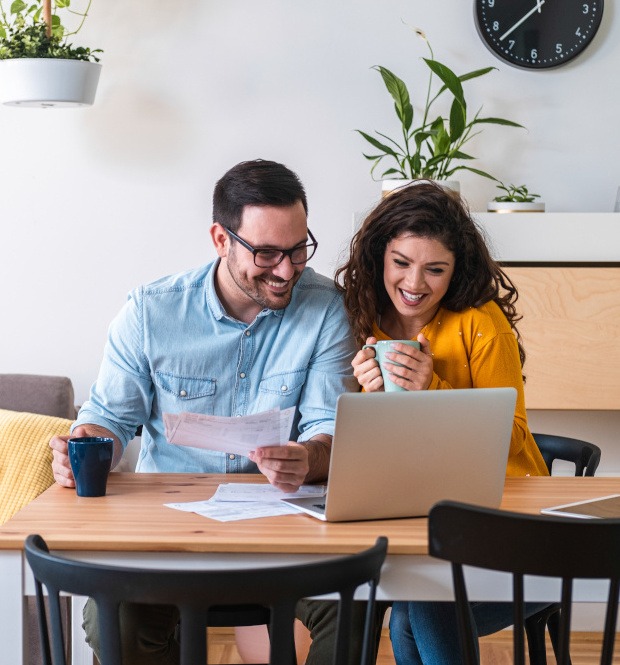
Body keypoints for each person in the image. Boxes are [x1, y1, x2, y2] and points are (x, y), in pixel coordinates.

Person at [49, 159, 378, 665]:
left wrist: (307, 458)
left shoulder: (325, 309)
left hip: (285, 530)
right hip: (165, 533)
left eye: (297, 249)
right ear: (221, 240)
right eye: (267, 253)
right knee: (113, 618)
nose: (287, 270)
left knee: (356, 601)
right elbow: (109, 419)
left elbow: (329, 428)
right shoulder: (150, 311)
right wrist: (83, 448)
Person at [334, 180, 550, 665]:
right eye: (401, 263)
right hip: (420, 517)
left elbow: (513, 434)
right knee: (416, 601)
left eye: (436, 269)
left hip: (512, 528)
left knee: (421, 605)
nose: (415, 284)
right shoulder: (363, 320)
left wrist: (431, 388)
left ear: (457, 271)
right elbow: (378, 452)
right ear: (378, 258)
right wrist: (371, 397)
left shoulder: (480, 320)